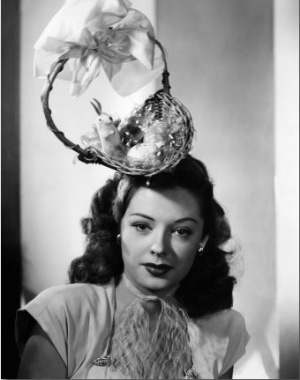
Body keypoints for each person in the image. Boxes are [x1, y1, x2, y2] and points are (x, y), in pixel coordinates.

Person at [16, 154, 249, 379]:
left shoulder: (223, 329)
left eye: (181, 231)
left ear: (202, 240)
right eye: (142, 226)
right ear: (119, 228)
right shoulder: (62, 314)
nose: (159, 247)